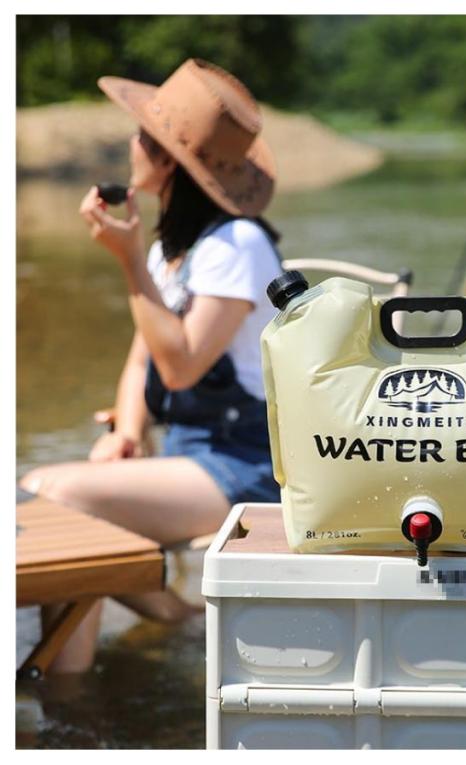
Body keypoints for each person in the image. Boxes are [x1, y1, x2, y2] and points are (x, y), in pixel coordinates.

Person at [19, 59, 283, 672]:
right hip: (192, 455)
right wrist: (129, 432)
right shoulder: (179, 246)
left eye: (142, 135)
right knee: (47, 497)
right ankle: (174, 622)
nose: (131, 144)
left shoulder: (238, 245)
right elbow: (144, 353)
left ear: (168, 161)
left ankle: (69, 691)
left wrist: (129, 260)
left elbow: (182, 366)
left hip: (247, 466)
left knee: (61, 499)